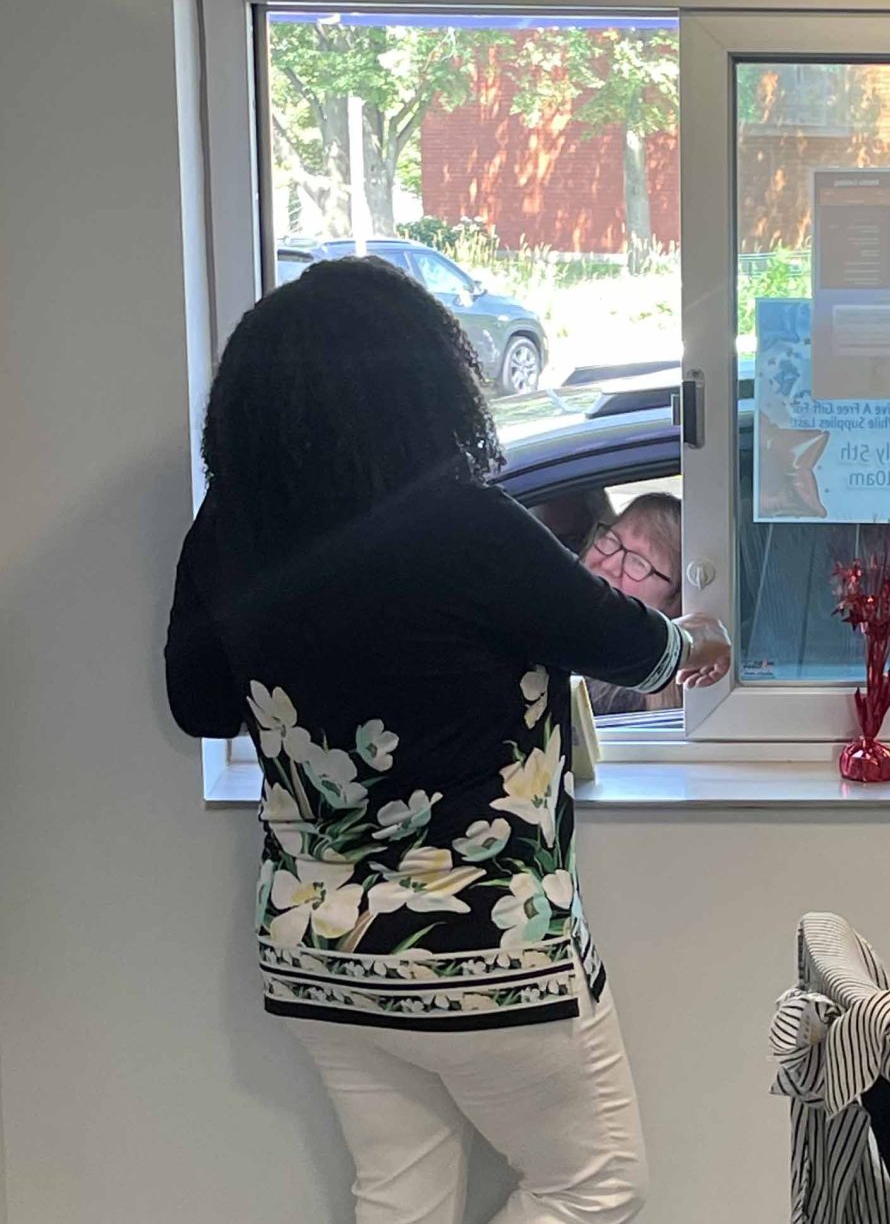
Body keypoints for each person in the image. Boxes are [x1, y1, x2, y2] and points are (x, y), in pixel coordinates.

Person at [164, 257, 730, 1224]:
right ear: (427, 389)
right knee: (595, 1187)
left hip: (319, 951)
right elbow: (629, 647)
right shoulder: (462, 522)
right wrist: (699, 642)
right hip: (487, 951)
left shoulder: (227, 528)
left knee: (400, 1199)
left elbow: (201, 706)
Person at [581, 495, 684, 718]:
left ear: (674, 606)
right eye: (610, 541)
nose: (608, 564)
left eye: (638, 563)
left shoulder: (620, 698)